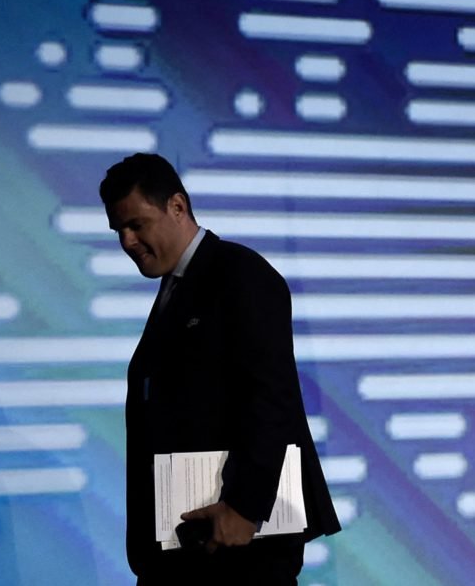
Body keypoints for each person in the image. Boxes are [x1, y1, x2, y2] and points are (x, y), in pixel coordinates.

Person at [101, 153, 339, 584]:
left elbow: (271, 399)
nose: (127, 241)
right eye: (119, 230)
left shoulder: (241, 275)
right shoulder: (178, 287)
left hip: (237, 549)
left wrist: (245, 508)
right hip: (188, 548)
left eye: (137, 224)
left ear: (177, 206)